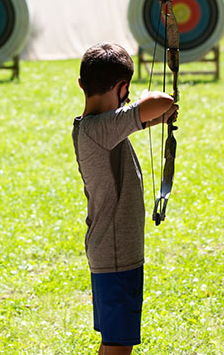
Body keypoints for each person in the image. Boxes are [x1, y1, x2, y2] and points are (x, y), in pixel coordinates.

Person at [72, 42, 178, 354]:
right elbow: (160, 100)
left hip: (111, 250)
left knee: (115, 342)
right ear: (123, 88)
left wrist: (156, 118)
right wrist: (152, 105)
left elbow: (146, 115)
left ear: (82, 84)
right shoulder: (100, 129)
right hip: (116, 254)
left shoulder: (95, 128)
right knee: (119, 347)